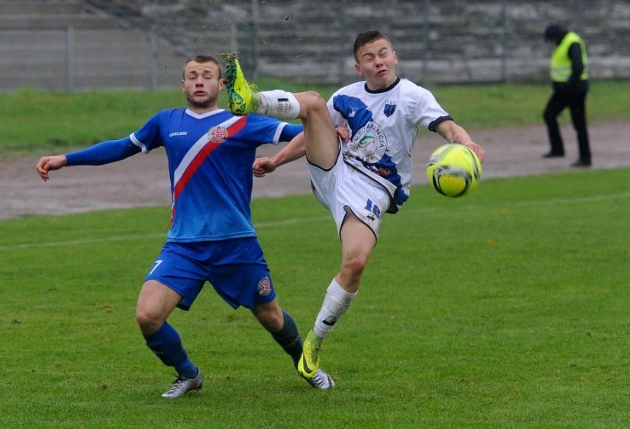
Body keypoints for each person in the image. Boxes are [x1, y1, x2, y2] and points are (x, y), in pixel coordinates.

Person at [35, 55, 335, 398]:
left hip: (236, 244)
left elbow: (304, 133)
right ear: (182, 85)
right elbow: (120, 147)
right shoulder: (166, 122)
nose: (199, 81)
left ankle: (307, 365)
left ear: (222, 85)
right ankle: (189, 374)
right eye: (192, 76)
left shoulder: (244, 122)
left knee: (272, 318)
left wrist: (328, 129)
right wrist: (65, 159)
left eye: (207, 76)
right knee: (148, 316)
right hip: (183, 246)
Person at [222, 30, 485, 383]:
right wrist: (277, 160)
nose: (379, 61)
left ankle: (313, 343)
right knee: (315, 104)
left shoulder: (413, 96)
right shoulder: (346, 96)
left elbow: (447, 127)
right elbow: (315, 131)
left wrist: (466, 142)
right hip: (335, 169)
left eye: (384, 54)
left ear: (395, 57)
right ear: (358, 66)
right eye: (370, 57)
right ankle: (251, 100)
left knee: (355, 262)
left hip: (375, 190)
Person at [542, 23, 591, 167]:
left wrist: (568, 86)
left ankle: (585, 158)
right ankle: (557, 149)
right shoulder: (561, 43)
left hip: (575, 91)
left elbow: (578, 68)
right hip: (563, 92)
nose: (551, 43)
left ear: (556, 36)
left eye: (551, 40)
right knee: (549, 114)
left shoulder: (572, 42)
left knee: (579, 124)